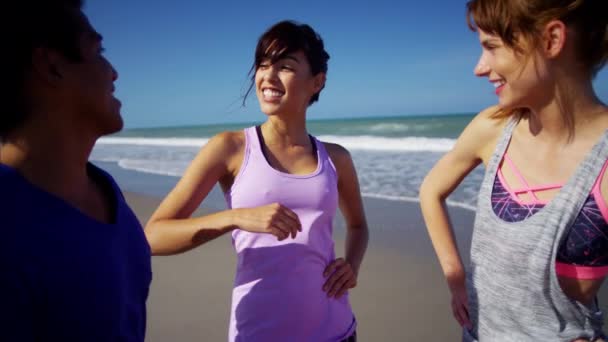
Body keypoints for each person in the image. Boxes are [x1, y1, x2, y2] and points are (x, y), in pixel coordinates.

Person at [145, 20, 368, 341]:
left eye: (285, 66)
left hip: (337, 329)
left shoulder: (336, 158)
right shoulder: (230, 148)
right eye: (263, 65)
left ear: (317, 82)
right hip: (259, 331)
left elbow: (359, 226)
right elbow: (153, 236)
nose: (267, 76)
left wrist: (353, 266)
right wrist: (235, 218)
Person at [419, 0, 608, 341]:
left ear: (551, 40)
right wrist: (455, 275)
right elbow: (431, 190)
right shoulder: (493, 128)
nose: (479, 68)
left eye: (491, 47)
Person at [0, 1, 152, 340]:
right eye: (98, 51)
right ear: (52, 66)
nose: (113, 72)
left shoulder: (104, 188)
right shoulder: (8, 225)